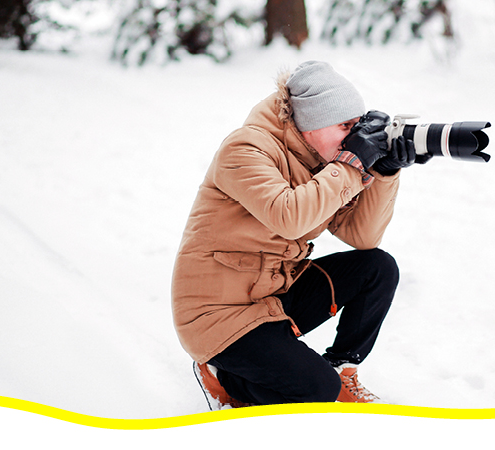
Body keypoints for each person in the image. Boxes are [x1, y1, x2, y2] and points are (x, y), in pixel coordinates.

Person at [172, 61, 422, 408]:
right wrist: (350, 164)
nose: (352, 137)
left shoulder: (322, 162)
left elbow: (362, 236)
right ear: (309, 125)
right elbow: (288, 216)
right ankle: (226, 377)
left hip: (274, 296)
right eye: (344, 126)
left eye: (356, 127)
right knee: (316, 392)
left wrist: (384, 172)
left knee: (376, 268)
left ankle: (341, 369)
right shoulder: (244, 149)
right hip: (219, 316)